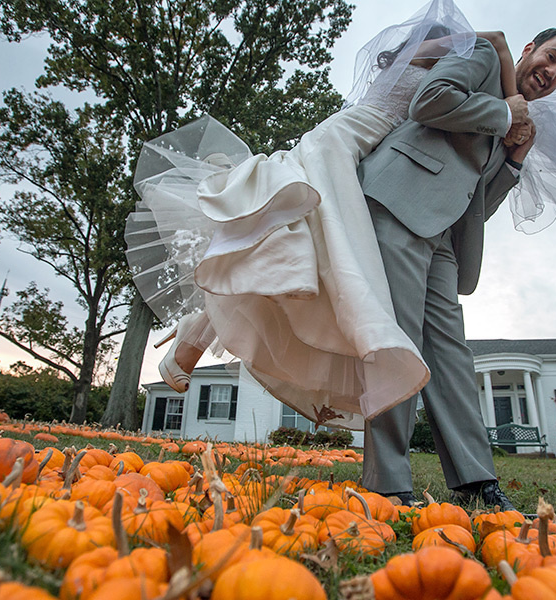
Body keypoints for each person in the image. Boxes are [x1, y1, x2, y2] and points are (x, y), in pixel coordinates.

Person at [129, 0, 480, 430]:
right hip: (342, 147)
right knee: (317, 253)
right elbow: (462, 57)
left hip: (354, 153)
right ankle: (195, 333)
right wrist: (494, 51)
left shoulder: (434, 67)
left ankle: (195, 332)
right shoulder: (432, 55)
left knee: (290, 252)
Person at [356, 28, 556, 508]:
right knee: (400, 343)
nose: (552, 72)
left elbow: (475, 203)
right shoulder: (484, 57)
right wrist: (503, 112)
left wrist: (514, 161)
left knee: (452, 355)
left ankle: (476, 480)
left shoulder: (520, 121)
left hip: (444, 235)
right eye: (552, 57)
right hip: (398, 202)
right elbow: (429, 100)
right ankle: (386, 483)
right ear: (530, 50)